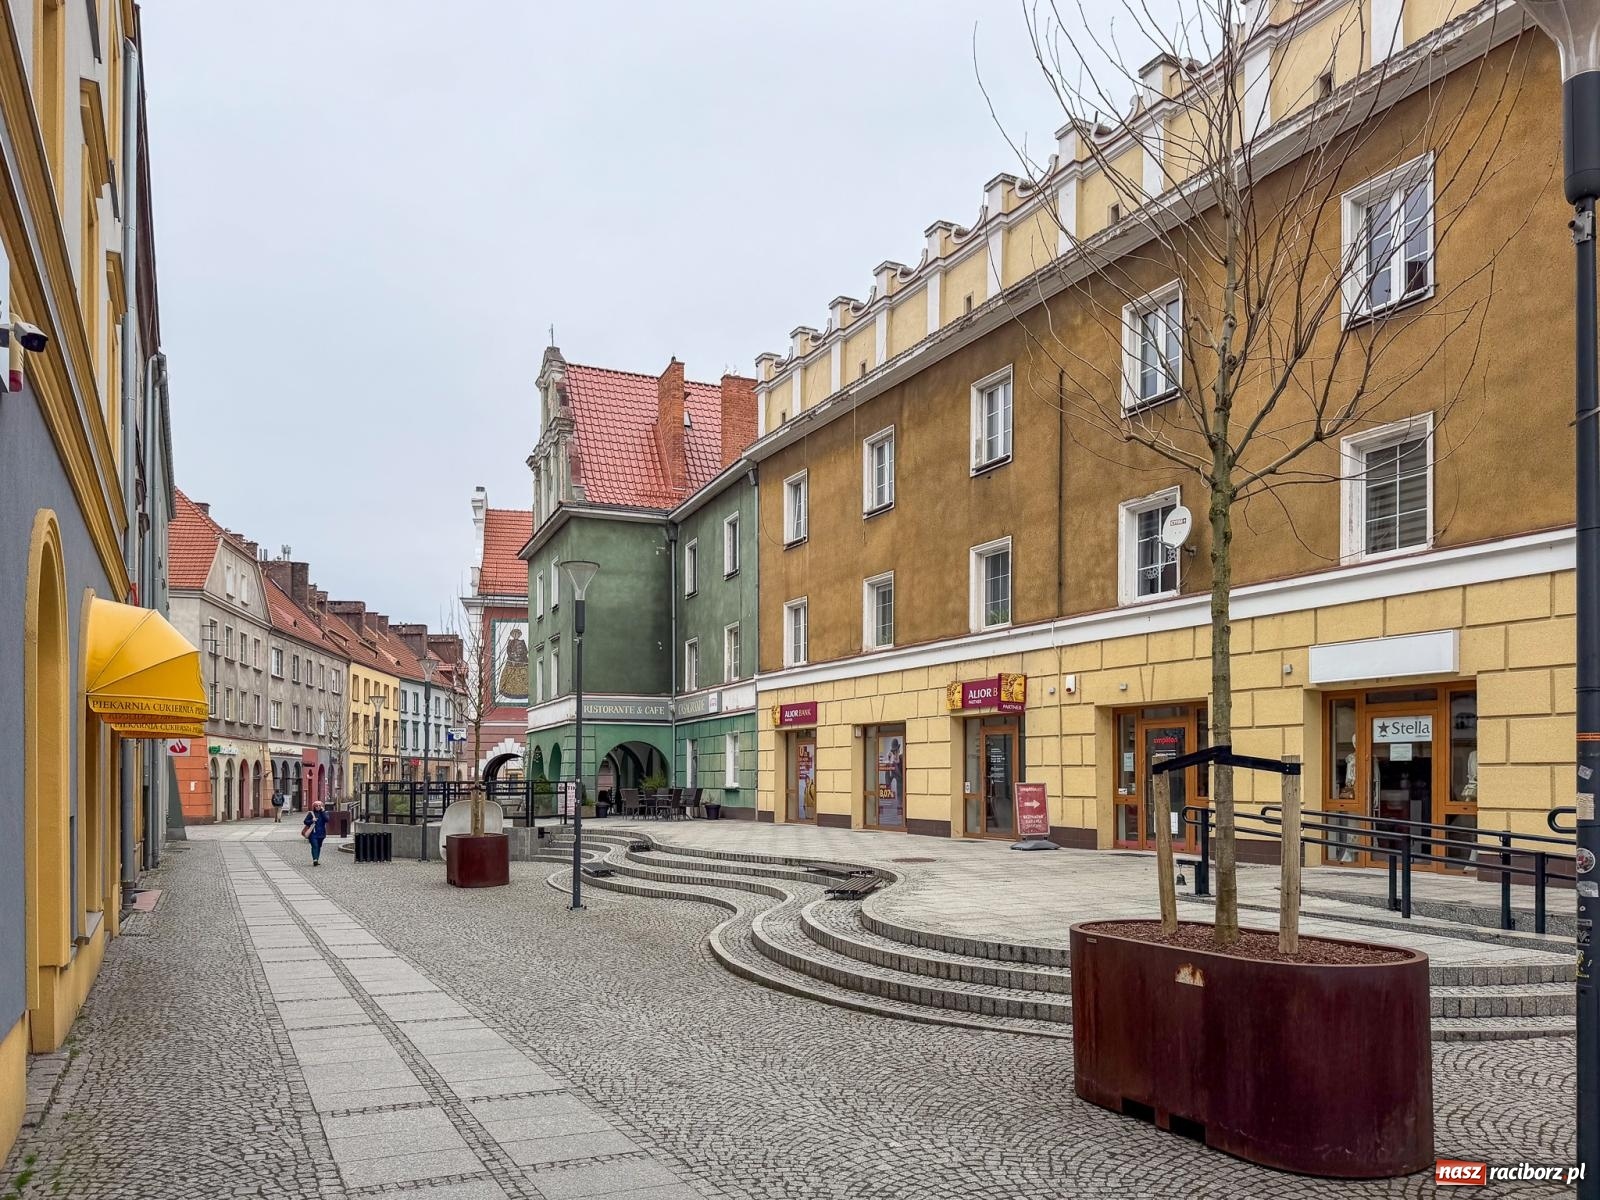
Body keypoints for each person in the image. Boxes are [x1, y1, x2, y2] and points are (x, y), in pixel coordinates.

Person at [302, 798, 328, 866]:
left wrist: (323, 812)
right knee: (315, 846)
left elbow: (327, 820)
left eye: (320, 805)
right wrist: (312, 820)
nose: (318, 807)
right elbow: (305, 822)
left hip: (321, 833)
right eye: (317, 805)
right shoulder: (311, 813)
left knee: (319, 846)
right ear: (314, 806)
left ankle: (317, 859)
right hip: (313, 833)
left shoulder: (324, 813)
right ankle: (315, 860)